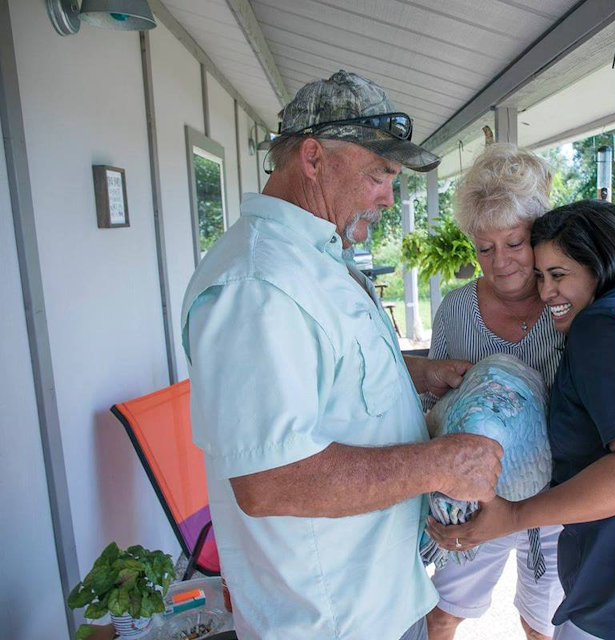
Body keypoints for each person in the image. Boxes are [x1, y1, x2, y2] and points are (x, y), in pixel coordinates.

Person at [180, 70, 504, 640]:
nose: (388, 196)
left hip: (378, 596)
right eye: (380, 174)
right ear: (312, 158)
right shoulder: (257, 285)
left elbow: (319, 371)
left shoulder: (310, 255)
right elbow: (270, 479)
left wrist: (416, 373)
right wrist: (441, 464)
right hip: (331, 619)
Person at [423, 144, 615, 640]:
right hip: (483, 493)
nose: (500, 263)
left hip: (568, 496)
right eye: (485, 247)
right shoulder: (457, 311)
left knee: (544, 619)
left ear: (540, 233)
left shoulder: (588, 295)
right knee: (444, 608)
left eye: (515, 242)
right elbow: (434, 406)